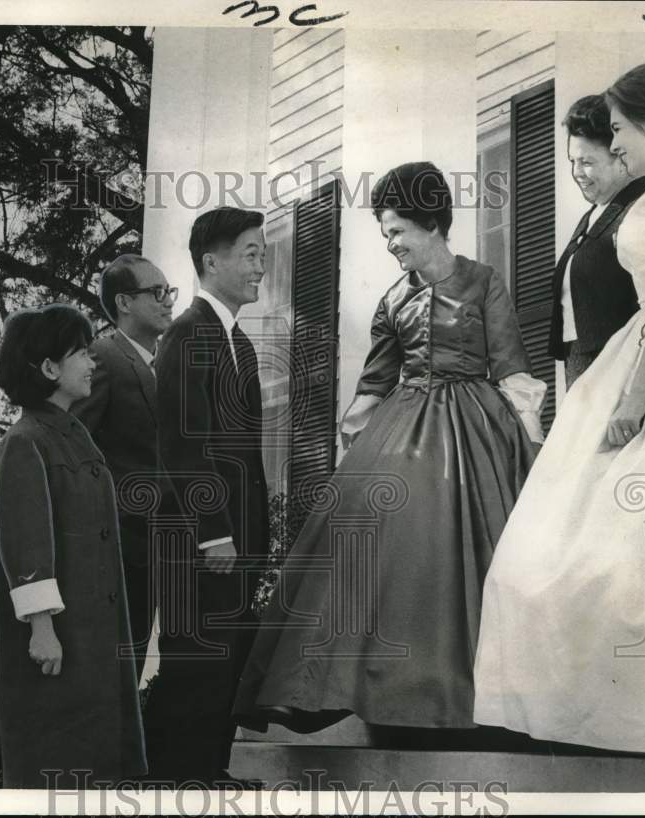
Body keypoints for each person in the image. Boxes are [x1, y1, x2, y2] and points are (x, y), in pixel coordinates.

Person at [474, 60, 645, 755]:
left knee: (641, 552)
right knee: (568, 552)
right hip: (640, 354)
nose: (612, 143)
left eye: (618, 129)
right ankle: (592, 709)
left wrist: (635, 399)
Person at [233, 162, 546, 733]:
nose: (393, 245)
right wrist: (356, 440)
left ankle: (472, 699)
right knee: (361, 540)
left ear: (431, 223)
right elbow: (375, 383)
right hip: (402, 427)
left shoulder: (483, 282)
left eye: (398, 232)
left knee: (465, 558)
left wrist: (529, 442)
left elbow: (511, 367)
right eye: (386, 236)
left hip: (476, 430)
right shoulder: (392, 299)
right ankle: (311, 690)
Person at [0, 303, 146, 788]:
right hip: (59, 644)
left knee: (95, 768)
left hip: (92, 642)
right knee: (59, 769)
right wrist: (41, 628)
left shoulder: (73, 434)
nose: (92, 361)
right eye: (81, 352)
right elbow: (25, 541)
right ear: (49, 368)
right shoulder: (25, 441)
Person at [142, 207, 270, 786]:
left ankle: (209, 776)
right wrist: (215, 531)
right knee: (196, 665)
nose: (261, 265)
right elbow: (182, 448)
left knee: (223, 663)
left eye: (262, 254)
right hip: (201, 544)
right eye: (249, 254)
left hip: (236, 543)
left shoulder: (237, 342)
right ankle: (178, 784)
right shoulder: (187, 334)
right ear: (210, 262)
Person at [72, 255, 177, 680]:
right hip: (116, 551)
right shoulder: (101, 357)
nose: (168, 301)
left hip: (159, 551)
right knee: (110, 676)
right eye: (157, 293)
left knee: (133, 673)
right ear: (124, 303)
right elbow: (72, 450)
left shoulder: (166, 363)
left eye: (170, 291)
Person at [548, 95, 645, 388]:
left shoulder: (641, 208)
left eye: (587, 162)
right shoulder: (593, 215)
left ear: (620, 156)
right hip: (580, 358)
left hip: (619, 366)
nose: (577, 173)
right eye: (573, 161)